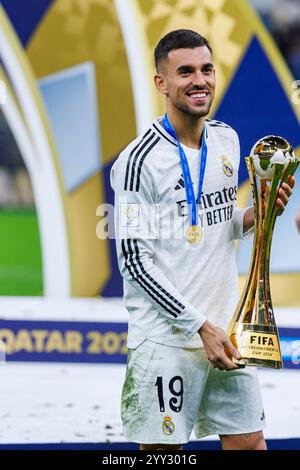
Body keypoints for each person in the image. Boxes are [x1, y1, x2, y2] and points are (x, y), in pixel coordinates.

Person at [110, 29, 294, 450]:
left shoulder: (227, 140)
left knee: (249, 444)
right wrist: (200, 327)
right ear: (162, 83)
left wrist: (258, 214)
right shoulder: (138, 163)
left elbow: (218, 222)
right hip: (168, 342)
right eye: (185, 71)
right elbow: (134, 261)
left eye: (207, 69)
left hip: (228, 333)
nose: (200, 80)